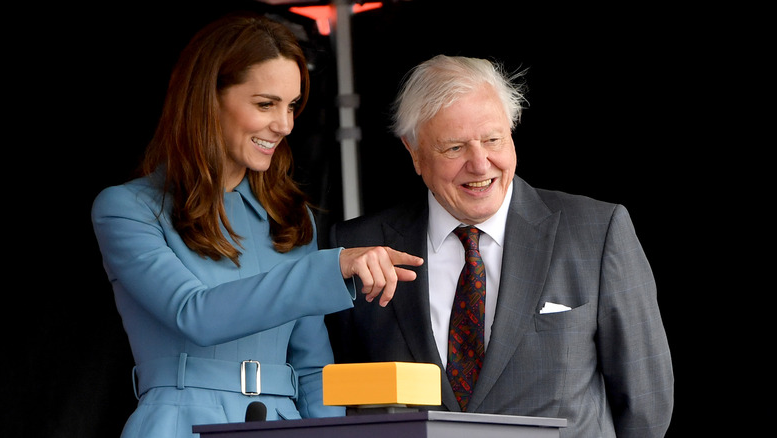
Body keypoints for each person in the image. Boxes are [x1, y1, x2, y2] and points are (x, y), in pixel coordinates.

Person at [91, 12, 423, 438]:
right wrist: (332, 266)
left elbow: (311, 368)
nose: (284, 125)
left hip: (282, 425)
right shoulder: (126, 208)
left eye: (291, 106)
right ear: (206, 99)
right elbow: (195, 314)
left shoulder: (289, 217)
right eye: (265, 104)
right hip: (178, 425)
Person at [324, 55, 674, 437]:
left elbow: (646, 406)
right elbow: (341, 399)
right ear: (414, 152)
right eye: (454, 148)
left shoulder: (596, 232)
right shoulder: (356, 247)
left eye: (493, 139)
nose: (480, 164)